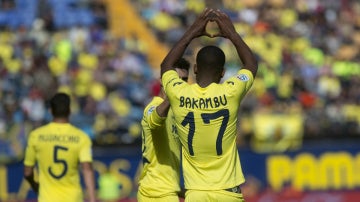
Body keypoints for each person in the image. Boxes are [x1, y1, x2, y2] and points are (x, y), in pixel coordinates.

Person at [160, 8, 258, 202]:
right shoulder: (230, 92)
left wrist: (193, 31)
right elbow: (251, 65)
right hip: (228, 192)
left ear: (195, 68)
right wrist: (232, 34)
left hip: (195, 193)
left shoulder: (180, 94)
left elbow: (166, 67)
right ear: (222, 73)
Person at [23, 93, 96, 202]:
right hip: (73, 198)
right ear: (70, 111)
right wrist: (92, 199)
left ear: (50, 111)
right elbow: (87, 170)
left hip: (47, 198)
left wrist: (35, 186)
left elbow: (27, 172)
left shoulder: (36, 136)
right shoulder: (81, 137)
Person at [138, 58, 190, 202]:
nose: (179, 84)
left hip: (165, 191)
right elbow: (155, 118)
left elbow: (165, 168)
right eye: (175, 80)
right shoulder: (153, 107)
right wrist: (171, 97)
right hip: (156, 194)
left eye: (183, 80)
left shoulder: (177, 112)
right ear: (161, 80)